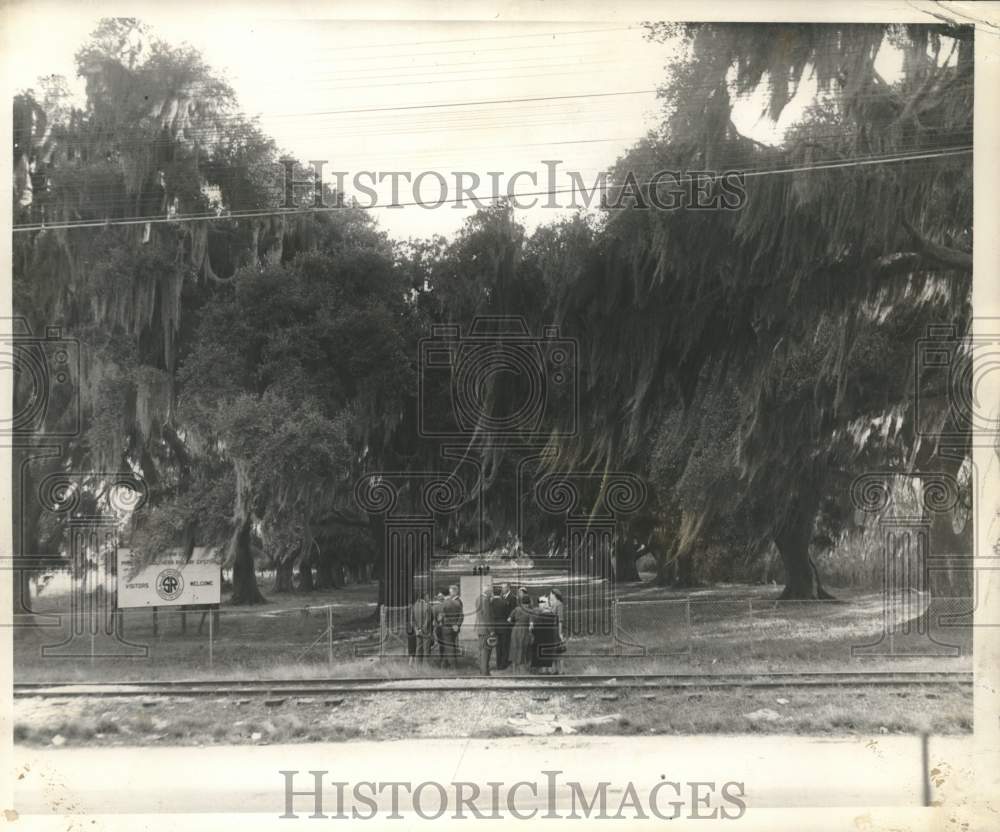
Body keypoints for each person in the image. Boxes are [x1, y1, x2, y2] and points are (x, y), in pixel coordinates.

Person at [507, 590, 533, 674]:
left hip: (515, 630)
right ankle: (523, 670)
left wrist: (515, 624)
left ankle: (515, 670)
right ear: (528, 603)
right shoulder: (530, 611)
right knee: (523, 649)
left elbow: (509, 619)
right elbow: (531, 625)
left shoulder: (516, 609)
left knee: (514, 648)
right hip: (524, 631)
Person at [531, 595, 559, 674]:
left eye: (540, 603)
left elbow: (536, 630)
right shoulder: (553, 616)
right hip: (550, 639)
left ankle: (544, 671)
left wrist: (532, 628)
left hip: (542, 640)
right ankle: (551, 670)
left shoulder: (540, 617)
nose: (539, 605)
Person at [439, 584, 463, 669]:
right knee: (451, 645)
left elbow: (442, 618)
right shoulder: (458, 603)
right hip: (455, 628)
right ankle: (443, 665)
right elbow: (461, 616)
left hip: (447, 628)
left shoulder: (444, 604)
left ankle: (453, 667)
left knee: (449, 647)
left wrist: (452, 624)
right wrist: (457, 625)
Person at [475, 588, 496, 676]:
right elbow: (487, 616)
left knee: (482, 651)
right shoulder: (486, 600)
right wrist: (491, 630)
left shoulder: (478, 598)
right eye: (491, 592)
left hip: (480, 628)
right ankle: (485, 672)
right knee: (486, 651)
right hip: (486, 629)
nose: (492, 594)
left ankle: (482, 670)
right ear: (488, 592)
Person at [489, 585, 510, 670]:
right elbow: (507, 614)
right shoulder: (505, 602)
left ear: (493, 593)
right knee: (504, 646)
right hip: (504, 625)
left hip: (495, 626)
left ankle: (498, 664)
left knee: (498, 646)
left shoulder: (491, 603)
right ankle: (503, 664)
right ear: (500, 592)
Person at [410, 591, 434, 664]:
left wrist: (417, 629)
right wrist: (422, 629)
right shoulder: (427, 606)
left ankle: (418, 666)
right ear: (424, 597)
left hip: (418, 631)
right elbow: (429, 619)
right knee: (426, 649)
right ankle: (426, 666)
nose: (428, 597)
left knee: (418, 648)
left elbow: (412, 620)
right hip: (426, 631)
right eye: (427, 596)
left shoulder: (414, 605)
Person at [498, 582, 517, 669]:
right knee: (500, 645)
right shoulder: (500, 597)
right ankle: (500, 663)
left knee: (506, 645)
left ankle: (504, 663)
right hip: (500, 625)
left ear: (508, 588)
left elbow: (513, 612)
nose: (502, 589)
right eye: (502, 588)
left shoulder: (513, 598)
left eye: (504, 587)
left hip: (507, 625)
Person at [547, 588, 565, 674]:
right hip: (551, 630)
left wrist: (560, 633)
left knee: (559, 651)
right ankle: (555, 670)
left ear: (555, 595)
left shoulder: (559, 605)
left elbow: (560, 620)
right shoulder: (554, 604)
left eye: (551, 594)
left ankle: (561, 670)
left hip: (557, 630)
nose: (550, 595)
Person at [430, 592, 446, 666]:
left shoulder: (434, 607)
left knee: (440, 644)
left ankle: (442, 659)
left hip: (437, 628)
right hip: (444, 627)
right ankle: (444, 660)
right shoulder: (445, 606)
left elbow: (432, 618)